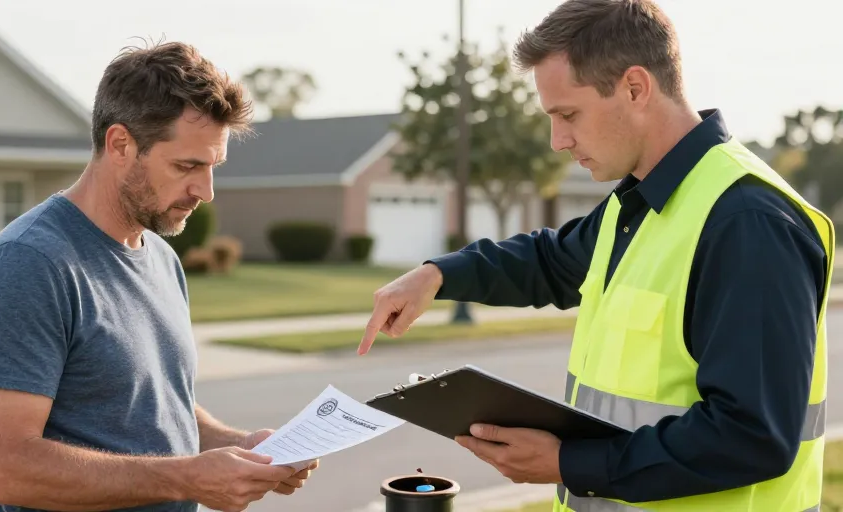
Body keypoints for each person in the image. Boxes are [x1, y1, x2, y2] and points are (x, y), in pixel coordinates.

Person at [357, 0, 833, 510]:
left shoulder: (747, 223)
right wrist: (437, 275)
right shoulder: (639, 203)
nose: (558, 141)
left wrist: (569, 464)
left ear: (635, 87)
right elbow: (549, 262)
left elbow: (752, 436)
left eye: (568, 114)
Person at [0, 41, 316, 512]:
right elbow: (2, 469)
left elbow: (150, 407)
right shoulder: (28, 263)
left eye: (212, 167)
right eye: (187, 166)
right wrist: (187, 477)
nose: (205, 191)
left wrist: (240, 445)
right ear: (121, 144)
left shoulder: (161, 258)